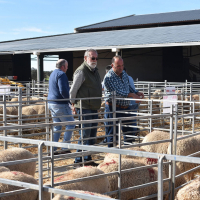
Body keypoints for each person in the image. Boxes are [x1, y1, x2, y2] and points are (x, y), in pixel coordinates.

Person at [70, 49, 102, 166]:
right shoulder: (82, 71)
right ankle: (78, 160)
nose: (95, 60)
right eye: (92, 58)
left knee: (92, 134)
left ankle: (87, 158)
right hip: (84, 107)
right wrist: (73, 104)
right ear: (85, 58)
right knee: (85, 134)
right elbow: (73, 90)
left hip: (93, 106)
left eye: (96, 58)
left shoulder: (95, 71)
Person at [104, 55, 144, 147]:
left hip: (126, 107)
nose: (121, 68)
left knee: (129, 132)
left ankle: (127, 152)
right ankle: (112, 156)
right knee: (113, 134)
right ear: (112, 65)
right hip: (113, 108)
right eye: (118, 66)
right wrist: (130, 95)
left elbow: (128, 87)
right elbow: (115, 91)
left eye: (122, 65)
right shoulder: (108, 77)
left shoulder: (124, 74)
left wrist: (136, 92)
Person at [48, 59, 75, 154]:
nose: (67, 68)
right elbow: (63, 90)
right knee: (71, 124)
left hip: (51, 103)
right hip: (60, 103)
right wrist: (69, 101)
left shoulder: (53, 73)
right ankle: (65, 147)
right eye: (67, 66)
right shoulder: (62, 74)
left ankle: (52, 149)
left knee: (57, 126)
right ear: (63, 66)